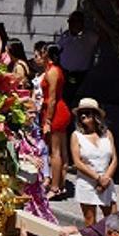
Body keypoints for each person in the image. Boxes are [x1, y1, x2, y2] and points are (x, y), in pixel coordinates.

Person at [72, 97, 118, 226]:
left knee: (114, 221)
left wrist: (106, 179)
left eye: (87, 112)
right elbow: (77, 162)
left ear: (96, 115)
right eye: (81, 113)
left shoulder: (107, 134)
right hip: (87, 182)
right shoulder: (76, 136)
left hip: (107, 181)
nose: (84, 115)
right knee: (90, 222)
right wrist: (98, 178)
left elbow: (114, 159)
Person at [42, 43, 72, 200]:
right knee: (61, 150)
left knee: (56, 152)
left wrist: (48, 120)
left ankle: (55, 187)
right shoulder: (55, 69)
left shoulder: (52, 71)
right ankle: (61, 184)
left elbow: (52, 98)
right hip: (59, 110)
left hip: (56, 112)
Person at [58, 10, 99, 104]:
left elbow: (104, 37)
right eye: (71, 22)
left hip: (76, 74)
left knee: (69, 95)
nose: (73, 24)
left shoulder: (89, 37)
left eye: (76, 21)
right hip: (64, 71)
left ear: (81, 23)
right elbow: (58, 49)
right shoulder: (65, 36)